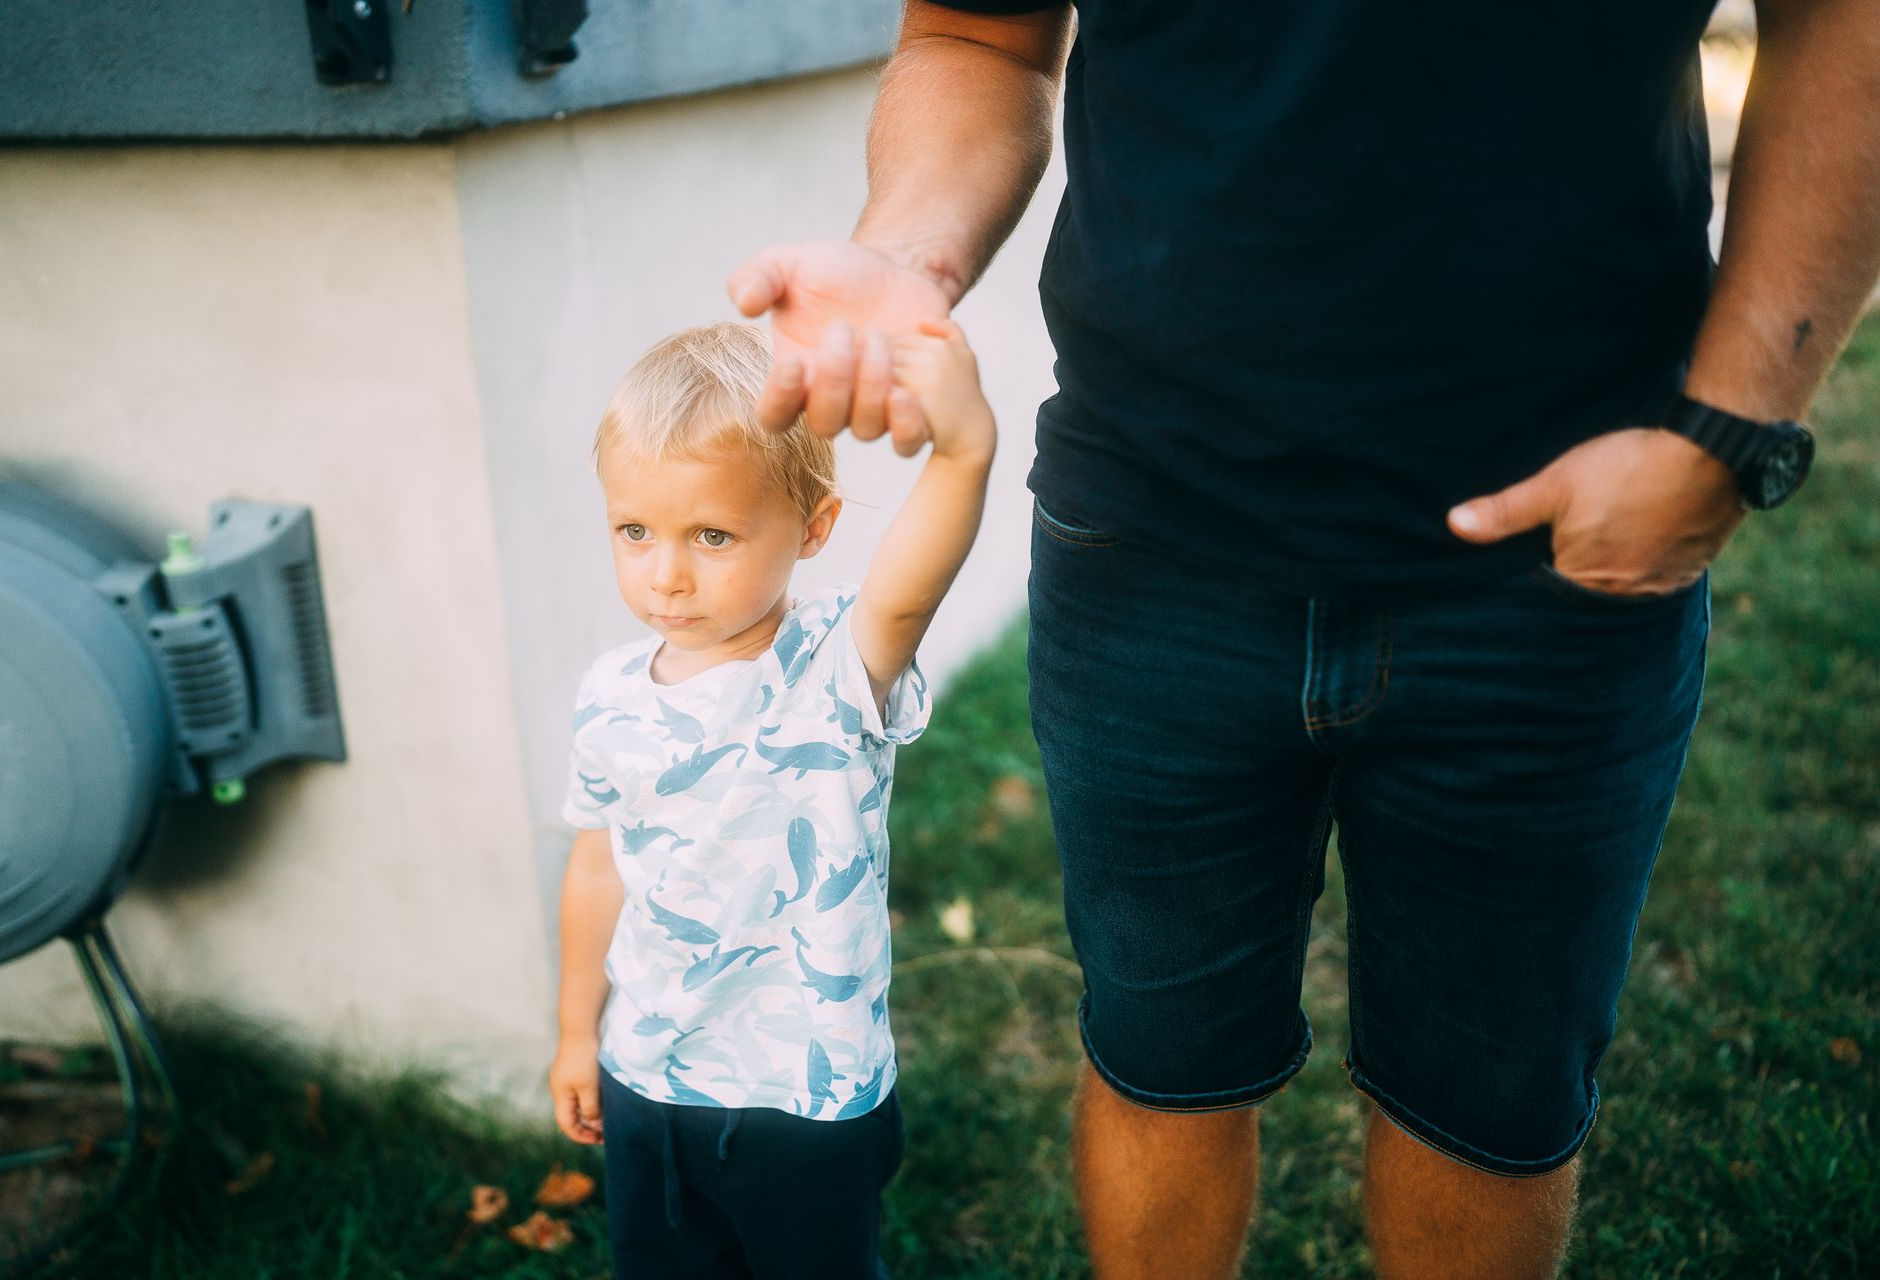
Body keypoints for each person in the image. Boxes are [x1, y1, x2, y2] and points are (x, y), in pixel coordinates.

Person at [725, 2, 1880, 1276]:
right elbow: (978, 36)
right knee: (1162, 1064)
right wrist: (905, 253)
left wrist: (1735, 428)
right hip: (1152, 542)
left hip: (1553, 564)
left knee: (1487, 1110)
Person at [546, 319, 996, 1279]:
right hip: (650, 1079)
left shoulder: (837, 665)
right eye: (636, 532)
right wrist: (578, 1033)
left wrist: (963, 451)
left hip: (806, 1098)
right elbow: (596, 870)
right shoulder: (609, 695)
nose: (666, 573)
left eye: (712, 535)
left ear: (815, 527)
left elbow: (912, 591)